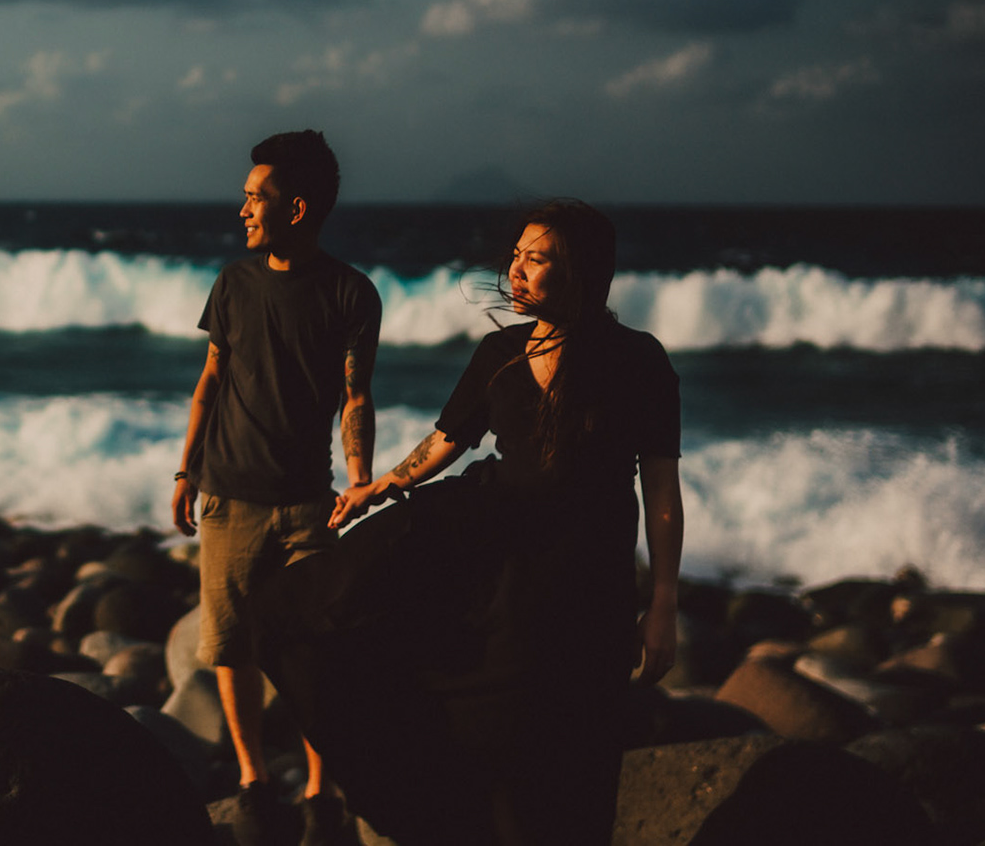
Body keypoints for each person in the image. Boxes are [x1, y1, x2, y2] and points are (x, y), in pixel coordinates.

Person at [257, 199, 683, 846]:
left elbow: (661, 490)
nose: (515, 270)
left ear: (579, 269)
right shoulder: (500, 352)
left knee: (573, 744)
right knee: (486, 726)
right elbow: (445, 441)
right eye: (514, 255)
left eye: (534, 259)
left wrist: (663, 602)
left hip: (586, 578)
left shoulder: (637, 360)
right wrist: (381, 485)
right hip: (504, 567)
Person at [171, 130, 384, 846]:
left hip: (306, 503)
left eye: (254, 197)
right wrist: (185, 469)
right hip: (228, 495)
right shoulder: (233, 282)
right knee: (228, 645)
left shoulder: (351, 292)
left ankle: (322, 790)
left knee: (317, 650)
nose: (242, 210)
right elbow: (211, 379)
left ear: (295, 206)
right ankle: (254, 779)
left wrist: (361, 480)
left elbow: (358, 397)